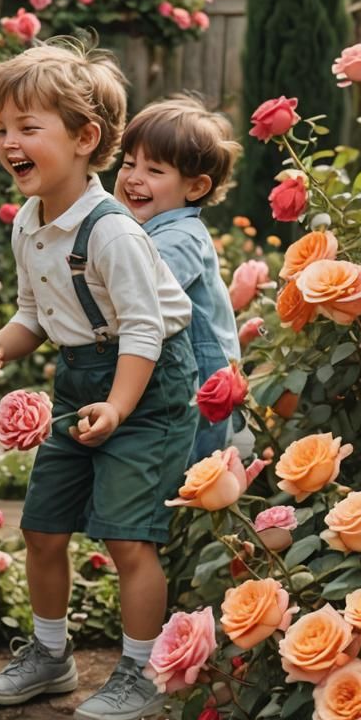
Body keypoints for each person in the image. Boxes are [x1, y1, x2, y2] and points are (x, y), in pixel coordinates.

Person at [0, 42, 198, 720]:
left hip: (147, 387)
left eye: (28, 127)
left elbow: (142, 331)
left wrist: (121, 404)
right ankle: (49, 656)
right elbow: (35, 316)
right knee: (42, 528)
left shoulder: (113, 234)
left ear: (85, 139)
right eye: (3, 129)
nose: (10, 142)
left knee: (130, 538)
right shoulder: (28, 222)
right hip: (81, 383)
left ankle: (140, 669)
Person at [113, 94, 242, 460]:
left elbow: (140, 292)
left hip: (200, 393)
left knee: (179, 481)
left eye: (154, 171)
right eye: (127, 164)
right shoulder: (148, 230)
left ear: (196, 187)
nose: (134, 179)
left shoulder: (181, 237)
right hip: (178, 387)